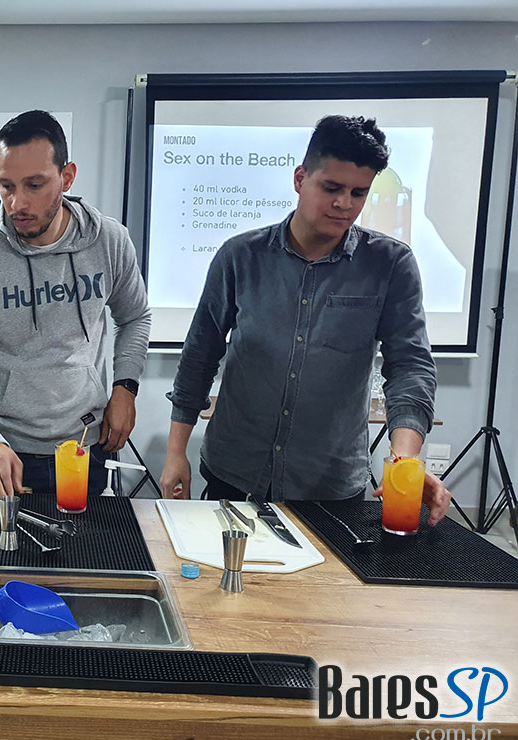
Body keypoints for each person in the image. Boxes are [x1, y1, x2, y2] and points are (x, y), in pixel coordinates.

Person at [159, 115, 451, 524]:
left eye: (358, 193)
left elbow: (411, 367)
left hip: (329, 486)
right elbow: (199, 355)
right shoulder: (240, 256)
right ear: (300, 178)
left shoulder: (390, 264)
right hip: (235, 473)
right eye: (331, 188)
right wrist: (176, 453)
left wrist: (406, 461)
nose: (344, 204)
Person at [0, 110, 151, 501]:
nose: (18, 203)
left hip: (85, 447)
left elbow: (135, 317)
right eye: (6, 187)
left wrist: (125, 387)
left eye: (34, 185)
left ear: (67, 177)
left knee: (88, 541)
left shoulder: (109, 241)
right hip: (5, 454)